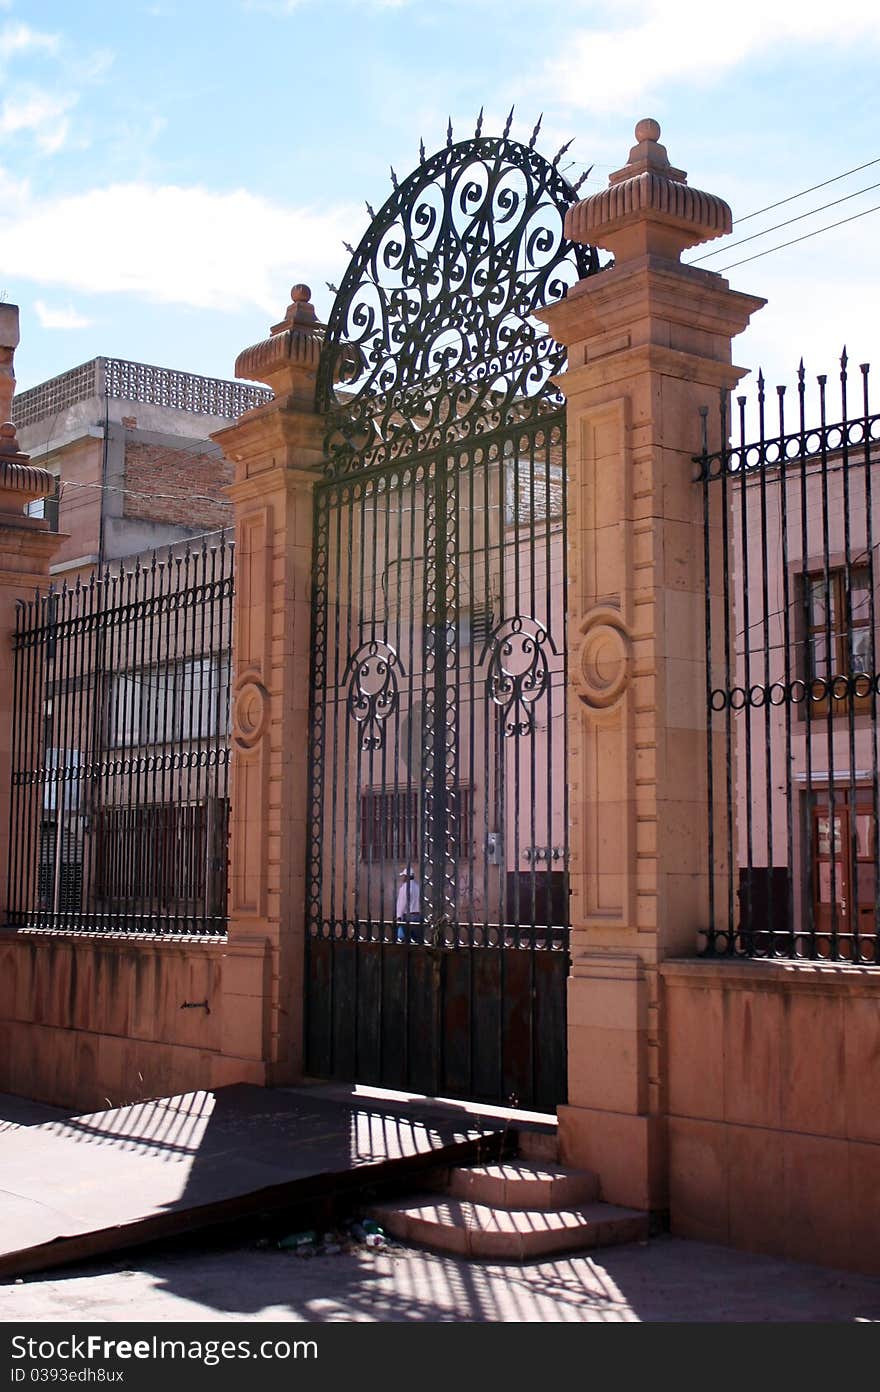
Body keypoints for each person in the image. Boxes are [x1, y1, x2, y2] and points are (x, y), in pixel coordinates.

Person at [395, 866, 421, 943]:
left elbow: (402, 903)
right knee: (416, 940)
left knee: (404, 939)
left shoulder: (404, 888)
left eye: (404, 876)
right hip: (417, 915)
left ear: (407, 877)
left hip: (408, 916)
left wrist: (399, 916)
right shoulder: (417, 887)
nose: (403, 878)